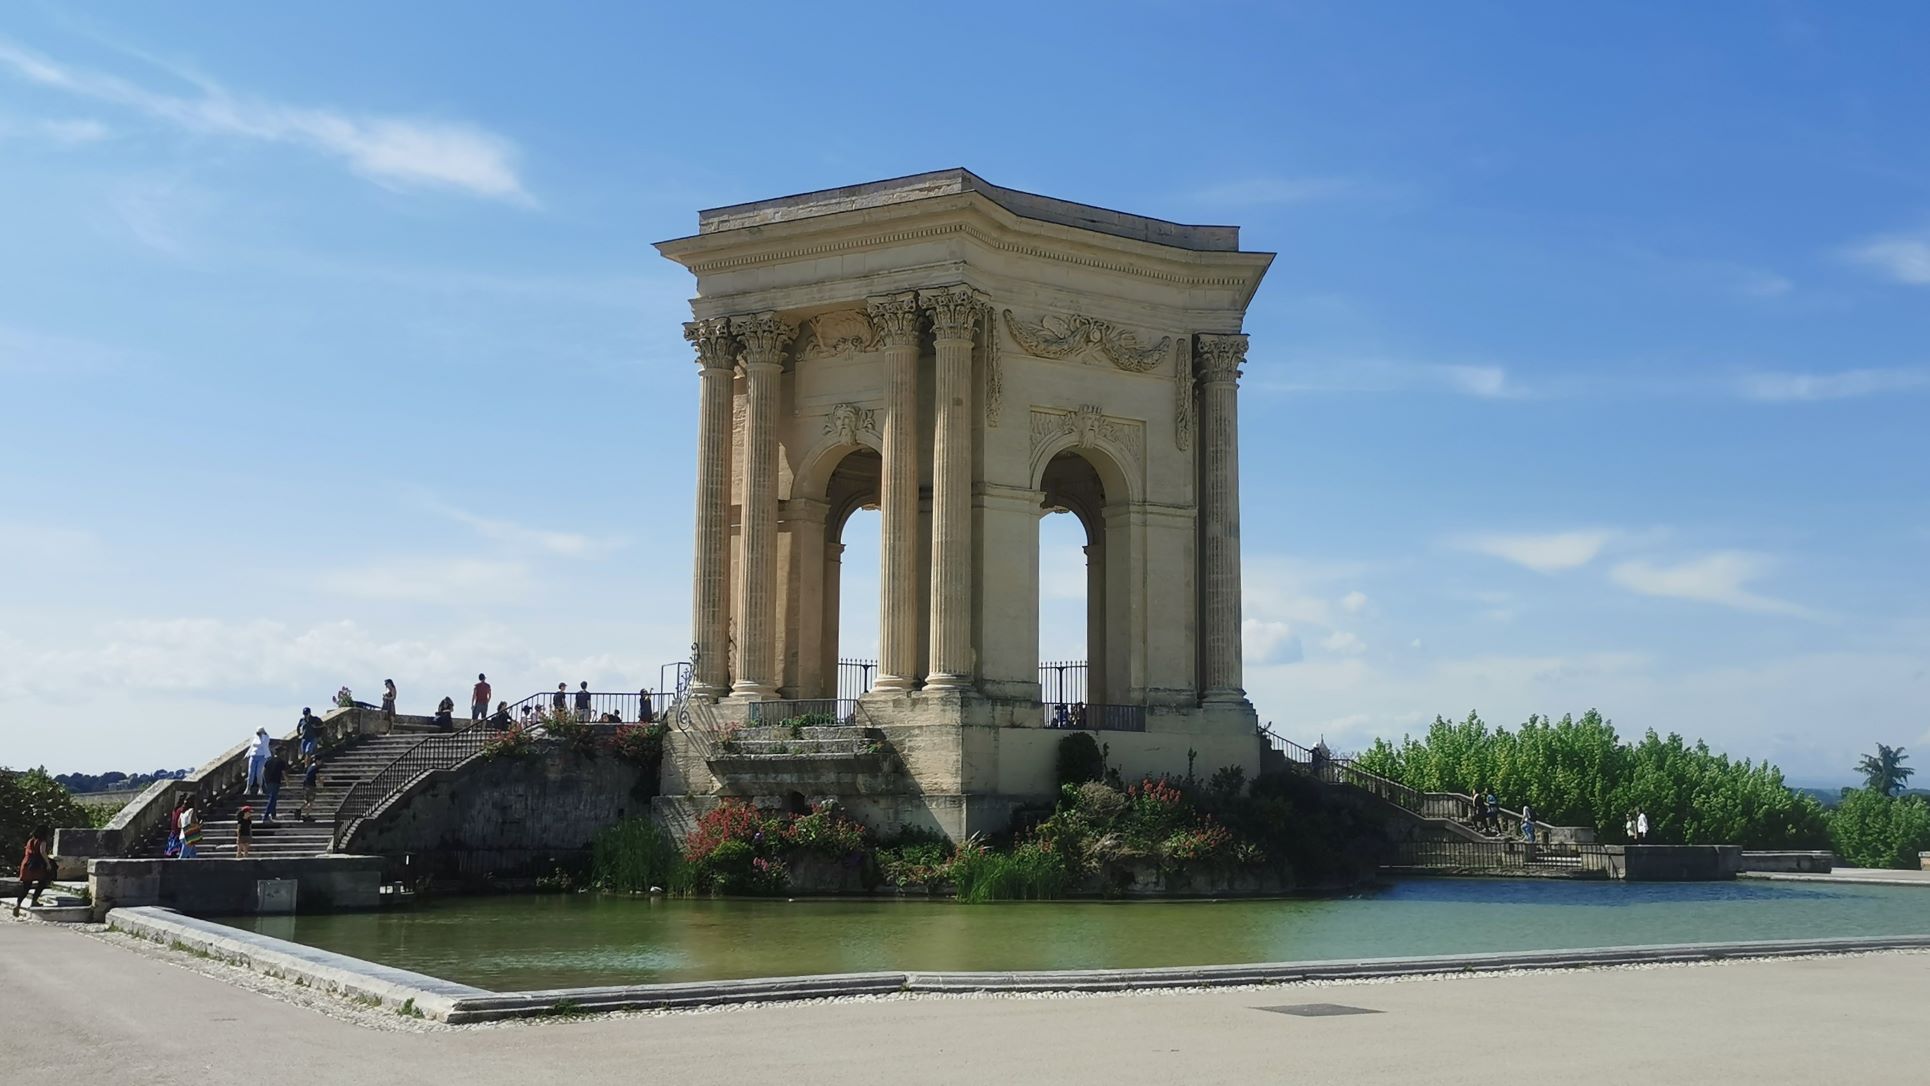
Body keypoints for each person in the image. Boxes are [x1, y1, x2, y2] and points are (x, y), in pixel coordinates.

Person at [13, 825, 54, 916]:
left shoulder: (30, 841)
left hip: (27, 864)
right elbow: (42, 852)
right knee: (43, 882)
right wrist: (48, 863)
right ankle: (34, 900)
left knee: (26, 887)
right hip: (37, 865)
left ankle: (18, 905)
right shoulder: (42, 841)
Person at [261, 746, 288, 823]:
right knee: (272, 799)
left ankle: (273, 814)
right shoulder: (281, 761)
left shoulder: (269, 760)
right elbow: (284, 773)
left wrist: (265, 781)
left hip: (268, 781)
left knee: (273, 798)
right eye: (283, 751)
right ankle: (266, 816)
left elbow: (263, 771)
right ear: (281, 752)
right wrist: (287, 782)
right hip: (275, 782)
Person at [246, 727, 272, 794]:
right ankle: (248, 788)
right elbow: (251, 746)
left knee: (259, 773)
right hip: (253, 755)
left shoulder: (266, 737)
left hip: (262, 756)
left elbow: (263, 744)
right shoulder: (254, 737)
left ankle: (260, 788)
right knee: (250, 773)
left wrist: (262, 735)